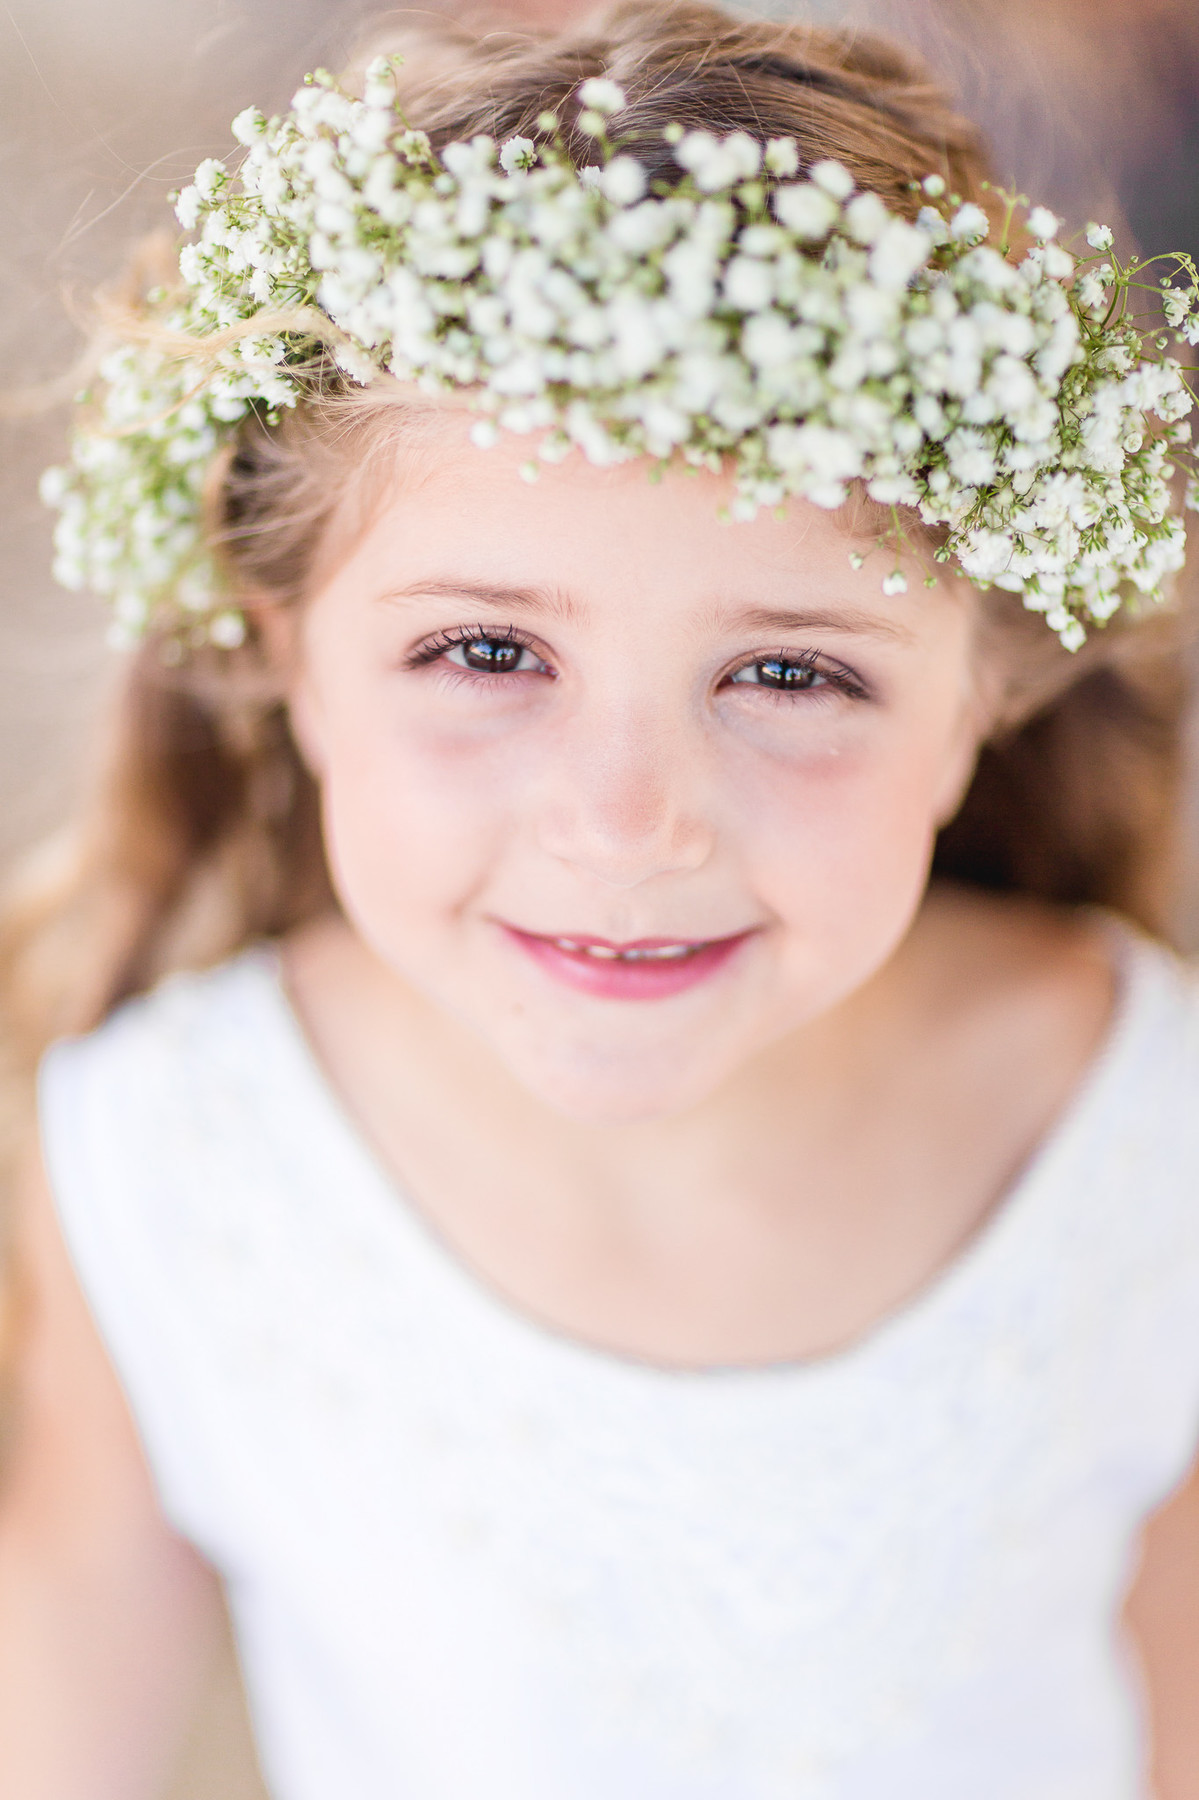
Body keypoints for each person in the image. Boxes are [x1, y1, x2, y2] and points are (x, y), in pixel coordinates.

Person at [1, 3, 1198, 1795]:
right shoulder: (170, 1158)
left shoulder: (1140, 1127)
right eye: (488, 650)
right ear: (289, 662)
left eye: (794, 676)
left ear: (980, 706)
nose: (629, 823)